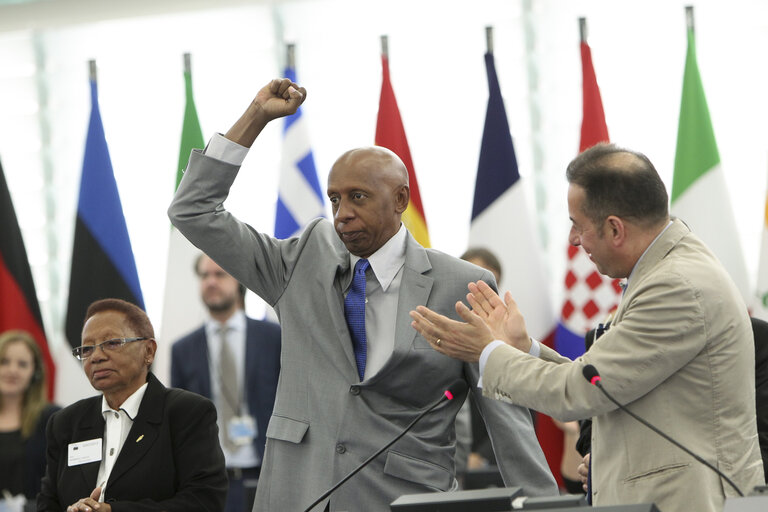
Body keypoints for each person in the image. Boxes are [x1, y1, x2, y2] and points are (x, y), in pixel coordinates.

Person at [168, 78, 556, 511]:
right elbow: (193, 210)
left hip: (402, 500)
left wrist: (542, 505)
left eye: (358, 197)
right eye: (334, 199)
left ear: (400, 199)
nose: (342, 214)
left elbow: (505, 415)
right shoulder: (300, 262)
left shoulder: (460, 284)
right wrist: (256, 116)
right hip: (297, 496)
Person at [409, 143, 765, 512]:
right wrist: (523, 347)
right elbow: (602, 381)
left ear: (614, 228)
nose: (573, 240)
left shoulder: (675, 286)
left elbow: (578, 393)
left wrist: (486, 352)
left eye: (577, 225)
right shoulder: (664, 271)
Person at [38, 299, 227, 512]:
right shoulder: (66, 422)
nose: (97, 357)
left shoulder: (187, 413)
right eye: (87, 349)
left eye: (112, 343)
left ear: (148, 351)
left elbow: (204, 502)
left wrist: (112, 511)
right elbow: (47, 503)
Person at [171, 253, 281, 512]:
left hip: (266, 475)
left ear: (239, 280)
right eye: (204, 275)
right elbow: (178, 423)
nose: (211, 282)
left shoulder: (273, 338)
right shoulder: (183, 349)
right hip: (208, 484)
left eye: (220, 274)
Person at [0, 330, 59, 508]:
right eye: (4, 362)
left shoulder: (53, 419)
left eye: (22, 364)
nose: (12, 370)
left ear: (35, 372)